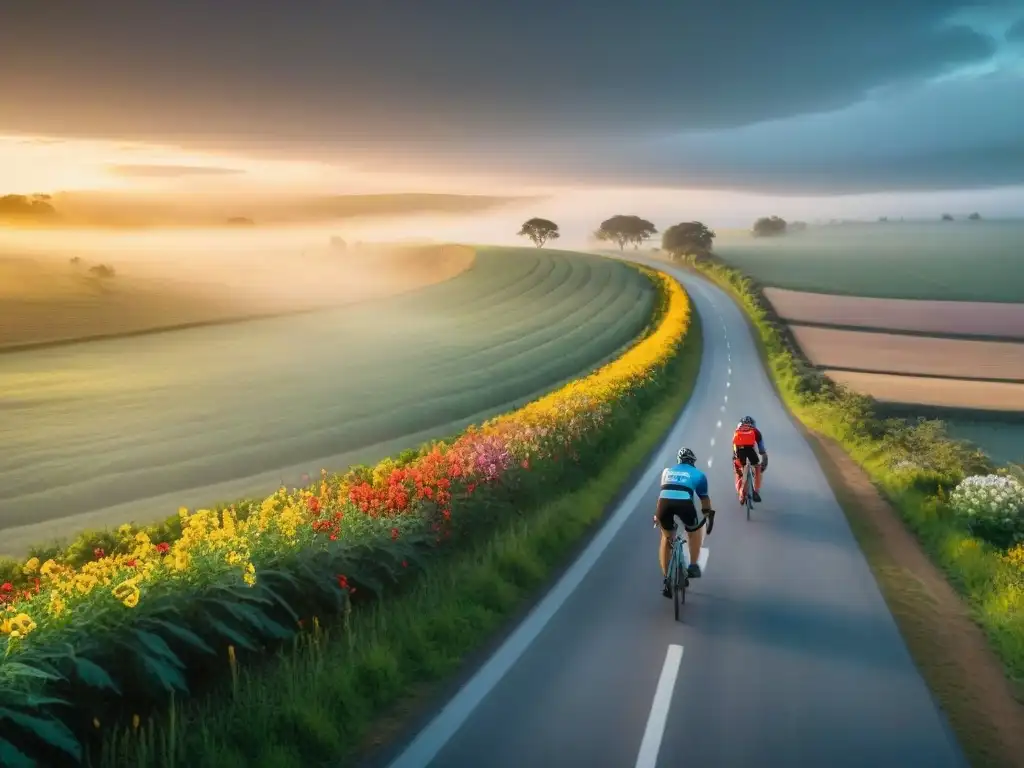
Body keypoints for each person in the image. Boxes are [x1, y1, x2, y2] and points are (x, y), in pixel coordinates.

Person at [655, 446, 715, 598]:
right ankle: (693, 565)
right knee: (694, 532)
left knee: (666, 537)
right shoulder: (699, 474)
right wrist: (707, 515)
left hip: (664, 504)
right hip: (684, 505)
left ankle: (667, 578)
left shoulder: (667, 471)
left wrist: (657, 516)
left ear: (678, 461)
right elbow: (704, 501)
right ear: (692, 462)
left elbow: (663, 494)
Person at [732, 415, 768, 504]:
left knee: (739, 472)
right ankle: (755, 491)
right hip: (751, 452)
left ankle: (741, 493)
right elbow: (762, 449)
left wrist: (736, 460)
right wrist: (764, 461)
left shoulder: (737, 431)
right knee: (757, 467)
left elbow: (734, 448)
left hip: (740, 453)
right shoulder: (756, 431)